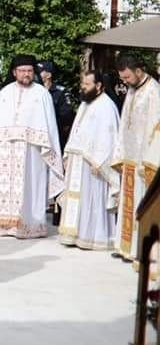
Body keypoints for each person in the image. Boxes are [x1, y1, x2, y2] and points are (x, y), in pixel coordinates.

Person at [0, 55, 64, 239]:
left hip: (32, 151)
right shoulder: (4, 93)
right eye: (22, 71)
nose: (26, 74)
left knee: (30, 185)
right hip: (6, 149)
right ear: (14, 73)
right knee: (6, 185)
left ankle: (31, 225)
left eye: (29, 71)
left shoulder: (41, 94)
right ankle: (6, 225)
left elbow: (50, 125)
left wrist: (48, 147)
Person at [58, 71, 120, 250]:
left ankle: (94, 237)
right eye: (82, 84)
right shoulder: (86, 103)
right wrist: (68, 155)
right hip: (78, 161)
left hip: (94, 163)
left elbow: (109, 138)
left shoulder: (107, 106)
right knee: (78, 201)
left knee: (92, 201)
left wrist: (101, 163)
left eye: (86, 84)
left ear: (99, 85)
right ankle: (75, 235)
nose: (82, 88)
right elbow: (76, 132)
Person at [112, 54, 160, 261]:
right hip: (129, 157)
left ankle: (138, 250)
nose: (125, 82)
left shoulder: (153, 91)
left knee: (141, 204)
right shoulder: (132, 90)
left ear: (138, 71)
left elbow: (155, 127)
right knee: (127, 204)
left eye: (127, 77)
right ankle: (124, 246)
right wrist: (120, 152)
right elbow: (124, 123)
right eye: (122, 78)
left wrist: (148, 160)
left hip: (143, 160)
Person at [38, 60, 75, 150]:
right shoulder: (35, 91)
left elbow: (67, 116)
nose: (37, 75)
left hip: (55, 137)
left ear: (49, 75)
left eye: (40, 72)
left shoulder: (60, 92)